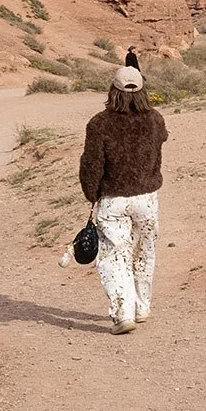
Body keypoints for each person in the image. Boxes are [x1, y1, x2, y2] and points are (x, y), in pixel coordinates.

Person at [78, 65, 167, 334]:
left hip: (113, 199)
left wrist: (91, 194)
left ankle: (122, 313)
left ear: (112, 90)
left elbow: (92, 164)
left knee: (114, 257)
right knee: (144, 252)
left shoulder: (99, 123)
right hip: (147, 197)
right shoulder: (155, 119)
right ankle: (142, 307)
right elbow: (161, 140)